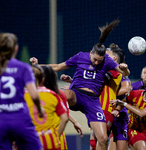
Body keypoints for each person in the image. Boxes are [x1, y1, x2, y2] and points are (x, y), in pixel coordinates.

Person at [31, 19, 130, 150]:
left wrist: (125, 68)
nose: (96, 63)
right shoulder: (80, 56)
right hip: (76, 94)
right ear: (90, 53)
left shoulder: (107, 61)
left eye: (99, 61)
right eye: (95, 59)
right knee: (64, 93)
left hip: (92, 101)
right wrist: (38, 66)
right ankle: (40, 119)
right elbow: (57, 66)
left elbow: (125, 73)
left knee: (103, 138)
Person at [0, 33, 43, 150]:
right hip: (21, 118)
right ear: (16, 48)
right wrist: (40, 110)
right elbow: (34, 95)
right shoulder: (24, 67)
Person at [112, 79, 146, 150]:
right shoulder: (134, 94)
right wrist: (117, 109)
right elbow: (124, 100)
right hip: (135, 129)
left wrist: (125, 104)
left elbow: (142, 113)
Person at [24, 65, 69, 150]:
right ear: (43, 80)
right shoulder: (53, 94)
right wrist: (56, 136)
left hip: (30, 139)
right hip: (49, 139)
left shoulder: (23, 95)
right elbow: (65, 117)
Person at [41, 65, 83, 150]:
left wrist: (75, 122)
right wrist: (75, 122)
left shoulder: (32, 94)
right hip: (56, 135)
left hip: (39, 134)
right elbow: (64, 114)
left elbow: (64, 113)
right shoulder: (59, 94)